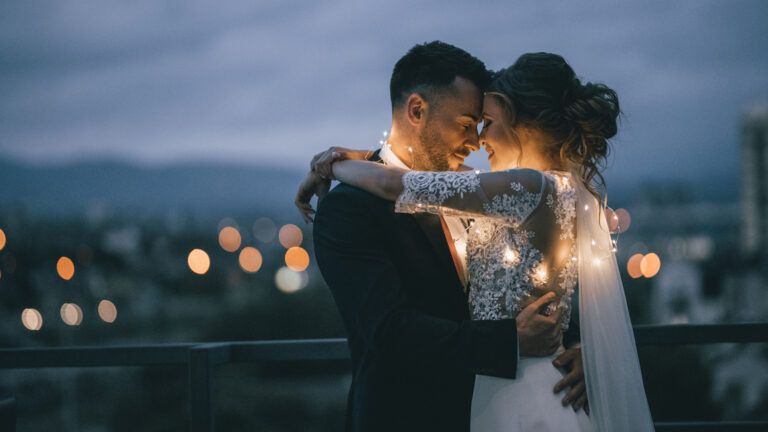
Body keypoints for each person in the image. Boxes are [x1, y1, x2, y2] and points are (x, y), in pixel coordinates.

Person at [298, 50, 655, 431]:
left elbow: (538, 282)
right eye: (468, 123)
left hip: (510, 406)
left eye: (483, 123)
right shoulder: (349, 210)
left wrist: (578, 349)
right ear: (417, 111)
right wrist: (509, 342)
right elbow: (389, 333)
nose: (476, 140)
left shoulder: (490, 193)